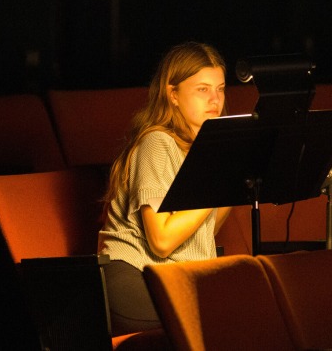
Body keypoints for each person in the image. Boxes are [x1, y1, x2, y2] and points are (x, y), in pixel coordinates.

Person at [97, 41, 233, 336]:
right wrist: (214, 184)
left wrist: (231, 179)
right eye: (202, 89)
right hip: (133, 278)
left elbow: (201, 233)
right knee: (224, 316)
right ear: (173, 94)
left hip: (175, 277)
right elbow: (161, 240)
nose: (215, 100)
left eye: (220, 88)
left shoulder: (200, 150)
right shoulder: (157, 143)